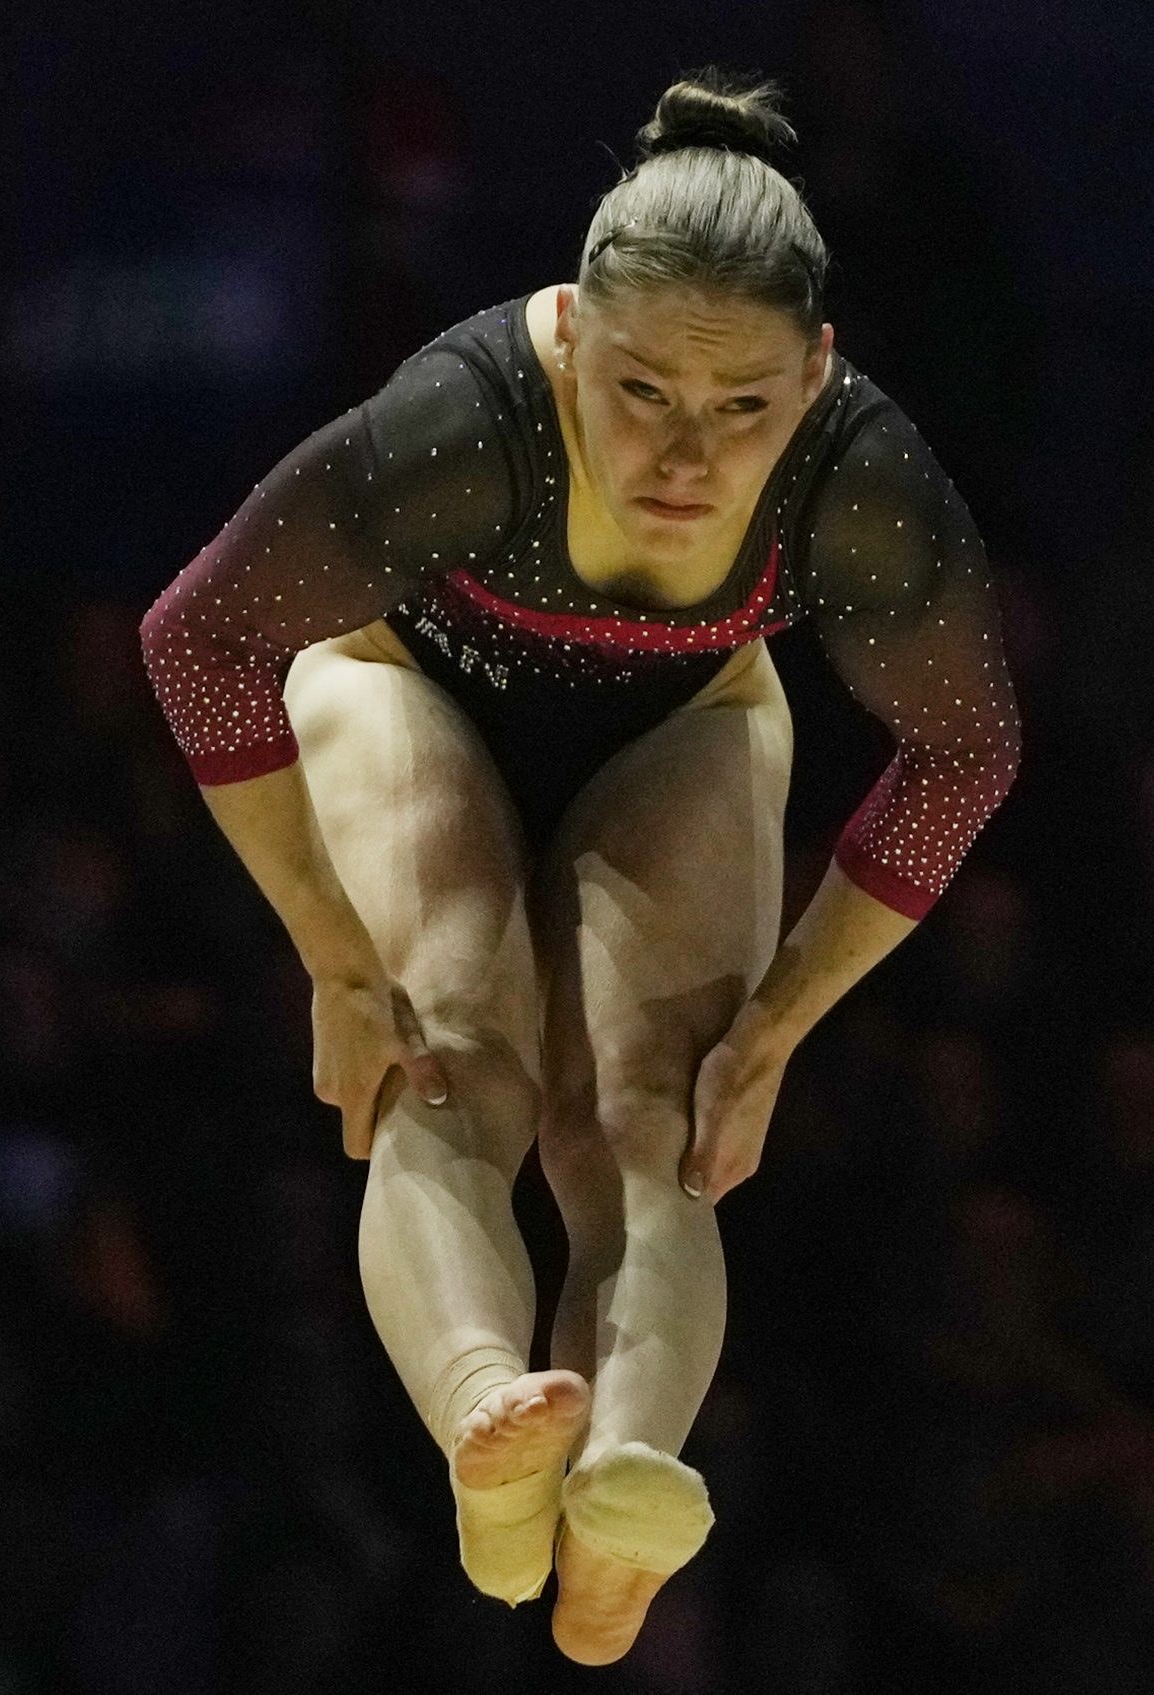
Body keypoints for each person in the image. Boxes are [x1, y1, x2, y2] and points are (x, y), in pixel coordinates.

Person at [135, 69, 1023, 1664]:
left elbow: (968, 753)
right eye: (639, 394)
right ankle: (491, 1420)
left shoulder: (863, 479)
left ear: (819, 375)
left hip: (684, 715)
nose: (687, 455)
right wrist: (336, 958)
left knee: (650, 1119)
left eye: (743, 407)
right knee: (450, 1046)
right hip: (406, 677)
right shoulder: (462, 424)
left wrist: (784, 1023)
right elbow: (200, 646)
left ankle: (620, 1490)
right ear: (566, 340)